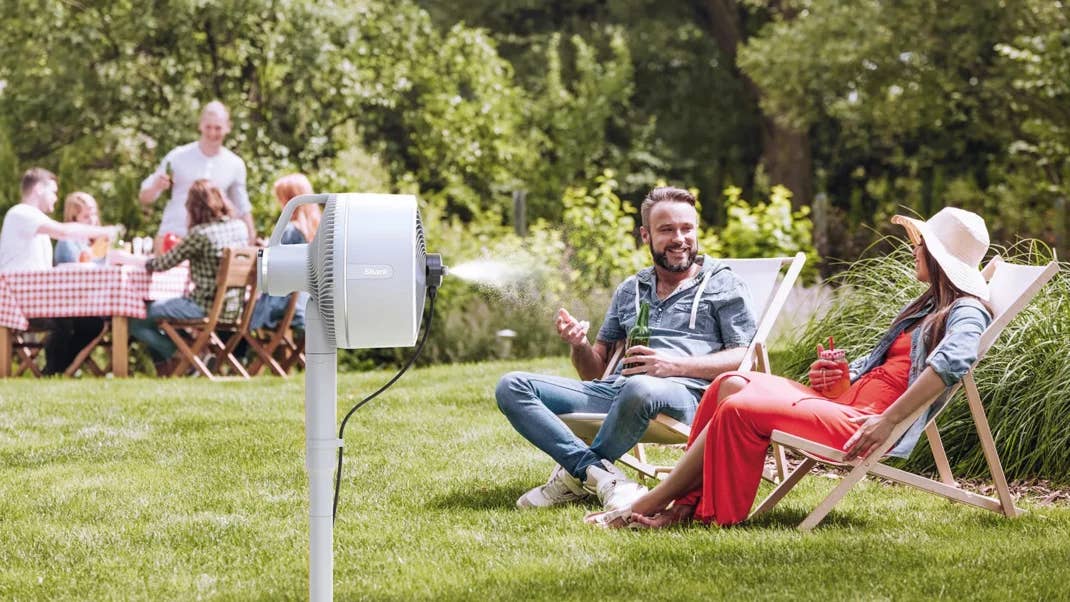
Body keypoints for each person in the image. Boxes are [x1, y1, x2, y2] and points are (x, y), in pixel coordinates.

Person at [585, 207, 993, 529]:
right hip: (846, 406)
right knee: (730, 382)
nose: (914, 249)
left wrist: (887, 422)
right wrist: (840, 379)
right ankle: (685, 506)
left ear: (939, 257)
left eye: (921, 245)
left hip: (865, 424)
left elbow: (952, 362)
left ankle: (655, 503)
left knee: (739, 408)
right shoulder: (928, 306)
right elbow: (889, 373)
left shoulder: (967, 310)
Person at [496, 186, 757, 512]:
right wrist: (580, 345)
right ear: (646, 236)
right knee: (512, 385)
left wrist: (672, 366)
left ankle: (573, 479)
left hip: (688, 396)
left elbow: (743, 357)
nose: (680, 238)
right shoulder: (630, 289)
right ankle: (599, 475)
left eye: (687, 228)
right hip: (617, 390)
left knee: (641, 386)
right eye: (667, 230)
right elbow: (594, 371)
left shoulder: (723, 283)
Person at [115, 179, 248, 375]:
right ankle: (194, 352)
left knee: (138, 317)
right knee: (164, 312)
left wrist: (128, 259)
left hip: (203, 307)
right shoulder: (239, 228)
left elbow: (161, 264)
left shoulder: (200, 233)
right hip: (232, 308)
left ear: (193, 207)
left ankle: (187, 355)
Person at [0, 168, 118, 375]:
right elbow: (64, 231)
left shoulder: (35, 220)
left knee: (91, 324)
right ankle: (52, 372)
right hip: (18, 302)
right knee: (66, 323)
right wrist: (101, 232)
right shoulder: (22, 213)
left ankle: (55, 372)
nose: (56, 197)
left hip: (34, 298)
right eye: (53, 191)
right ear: (38, 189)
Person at [138, 100, 256, 249]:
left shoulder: (235, 164)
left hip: (211, 245)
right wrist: (156, 186)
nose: (212, 133)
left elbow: (242, 207)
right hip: (174, 236)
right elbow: (144, 198)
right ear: (200, 125)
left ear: (228, 128)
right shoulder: (177, 156)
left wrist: (251, 241)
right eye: (208, 127)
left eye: (218, 128)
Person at [248, 173, 320, 332]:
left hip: (283, 307)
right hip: (310, 305)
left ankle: (236, 355)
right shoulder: (318, 232)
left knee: (241, 312)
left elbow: (271, 270)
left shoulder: (289, 230)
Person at [54, 191, 103, 265]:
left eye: (94, 214)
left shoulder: (90, 241)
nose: (92, 220)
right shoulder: (67, 241)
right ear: (74, 219)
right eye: (86, 216)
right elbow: (81, 266)